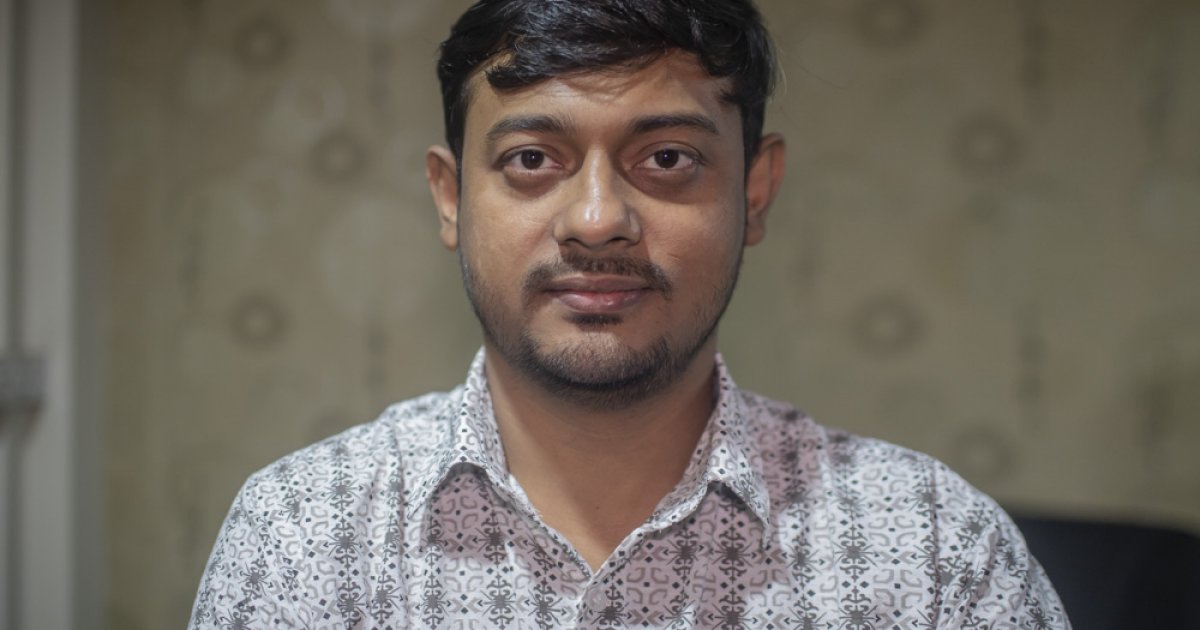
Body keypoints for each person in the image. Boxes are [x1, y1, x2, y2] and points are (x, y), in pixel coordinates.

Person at [190, 1, 1070, 628]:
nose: (597, 219)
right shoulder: (304, 537)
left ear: (755, 191)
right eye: (532, 159)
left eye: (669, 158)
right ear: (451, 196)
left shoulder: (935, 553)